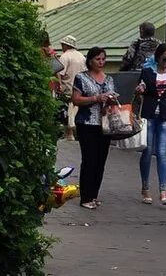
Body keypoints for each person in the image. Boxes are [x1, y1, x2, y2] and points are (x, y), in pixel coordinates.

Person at [71, 46, 119, 209]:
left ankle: (94, 194)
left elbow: (113, 97)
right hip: (87, 123)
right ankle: (85, 197)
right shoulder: (81, 78)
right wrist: (96, 98)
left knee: (100, 160)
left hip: (105, 124)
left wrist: (111, 100)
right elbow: (76, 100)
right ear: (90, 61)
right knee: (89, 159)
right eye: (97, 59)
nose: (101, 62)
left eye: (103, 59)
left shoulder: (109, 79)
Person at [134, 43, 166, 205]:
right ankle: (145, 187)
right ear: (158, 58)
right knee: (148, 151)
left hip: (164, 116)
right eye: (165, 58)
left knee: (162, 153)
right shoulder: (147, 73)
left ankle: (163, 190)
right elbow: (139, 93)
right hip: (149, 115)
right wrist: (139, 91)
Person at [57, 34, 85, 141]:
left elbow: (60, 72)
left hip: (68, 87)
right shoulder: (81, 56)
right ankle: (76, 133)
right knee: (76, 110)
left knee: (68, 111)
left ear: (66, 45)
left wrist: (59, 84)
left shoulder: (65, 56)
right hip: (80, 88)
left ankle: (69, 134)